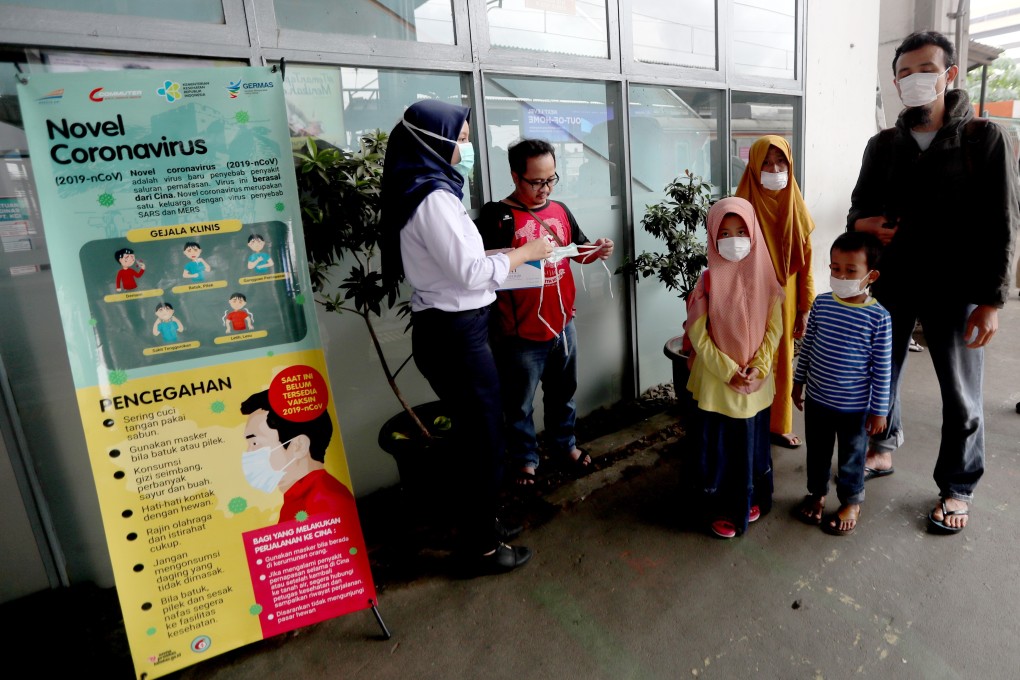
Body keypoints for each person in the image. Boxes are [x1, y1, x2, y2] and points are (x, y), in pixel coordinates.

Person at [847, 31, 1019, 533]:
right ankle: (883, 447)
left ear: (949, 75)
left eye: (925, 69)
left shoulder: (982, 139)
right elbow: (858, 207)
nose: (913, 80)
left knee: (962, 394)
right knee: (882, 373)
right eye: (903, 73)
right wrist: (866, 226)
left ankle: (957, 487)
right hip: (893, 282)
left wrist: (991, 300)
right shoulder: (883, 146)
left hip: (957, 288)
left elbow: (1003, 223)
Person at [379, 99, 553, 573]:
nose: (468, 146)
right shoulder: (433, 198)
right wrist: (527, 252)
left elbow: (461, 263)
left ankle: (485, 523)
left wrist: (505, 256)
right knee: (484, 441)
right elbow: (473, 273)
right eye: (461, 138)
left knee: (480, 434)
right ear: (435, 141)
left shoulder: (431, 190)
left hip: (456, 329)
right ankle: (480, 547)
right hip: (455, 335)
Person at [476, 138, 614, 485]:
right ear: (515, 176)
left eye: (551, 179)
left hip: (562, 325)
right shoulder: (497, 216)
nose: (545, 189)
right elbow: (479, 271)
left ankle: (563, 445)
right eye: (536, 181)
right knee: (519, 405)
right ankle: (525, 459)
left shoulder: (561, 210)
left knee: (563, 393)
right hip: (519, 333)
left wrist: (595, 250)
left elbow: (574, 251)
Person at [685, 197, 784, 538]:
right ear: (712, 237)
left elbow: (775, 327)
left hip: (756, 384)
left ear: (754, 231)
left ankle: (753, 498)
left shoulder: (767, 278)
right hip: (717, 384)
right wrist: (728, 369)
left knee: (752, 446)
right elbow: (698, 335)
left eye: (741, 230)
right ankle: (723, 509)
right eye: (724, 232)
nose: (734, 239)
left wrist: (759, 365)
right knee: (720, 449)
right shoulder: (708, 282)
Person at [792, 232, 891, 536]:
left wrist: (879, 411)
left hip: (855, 408)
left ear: (870, 275)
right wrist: (798, 384)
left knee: (852, 457)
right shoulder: (822, 304)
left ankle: (851, 501)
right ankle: (817, 494)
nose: (841, 276)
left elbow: (882, 370)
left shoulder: (879, 318)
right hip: (819, 401)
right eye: (835, 268)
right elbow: (807, 348)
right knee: (818, 453)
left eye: (851, 271)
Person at [735, 136, 816, 450]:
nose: (773, 169)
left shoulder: (795, 205)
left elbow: (806, 262)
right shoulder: (743, 204)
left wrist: (805, 307)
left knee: (782, 358)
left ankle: (778, 424)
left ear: (789, 164)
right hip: (748, 298)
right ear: (754, 166)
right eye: (766, 163)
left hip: (785, 299)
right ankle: (749, 421)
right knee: (750, 358)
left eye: (780, 161)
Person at [240, 390, 359, 525]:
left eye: (255, 443)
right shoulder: (298, 498)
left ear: (299, 446)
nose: (249, 452)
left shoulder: (323, 502)